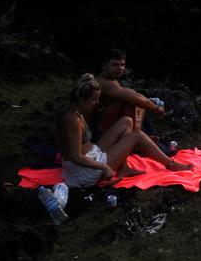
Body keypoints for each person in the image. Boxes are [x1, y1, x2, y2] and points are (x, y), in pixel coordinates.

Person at [58, 73, 191, 189]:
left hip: (91, 154)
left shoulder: (77, 111)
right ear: (81, 99)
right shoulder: (71, 120)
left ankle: (123, 168)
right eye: (93, 99)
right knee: (137, 135)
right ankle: (170, 164)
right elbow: (75, 156)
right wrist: (104, 167)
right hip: (84, 172)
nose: (97, 103)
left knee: (126, 121)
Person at [95, 49, 164, 136]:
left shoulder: (110, 80)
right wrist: (156, 108)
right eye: (115, 65)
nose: (120, 68)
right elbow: (133, 98)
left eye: (122, 65)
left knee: (135, 99)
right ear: (104, 66)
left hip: (101, 123)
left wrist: (151, 102)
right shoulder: (103, 82)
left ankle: (143, 134)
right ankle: (136, 136)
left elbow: (133, 94)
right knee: (130, 102)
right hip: (95, 130)